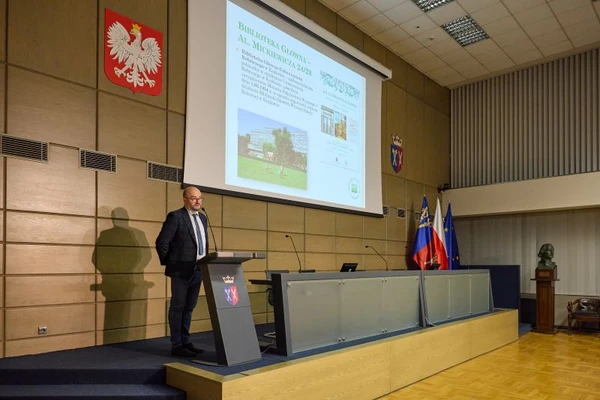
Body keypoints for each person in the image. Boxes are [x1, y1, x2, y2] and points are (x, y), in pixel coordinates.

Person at [156, 187, 209, 356]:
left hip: (199, 270)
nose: (198, 201)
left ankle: (186, 341)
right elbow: (162, 242)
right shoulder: (176, 217)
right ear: (185, 199)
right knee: (178, 307)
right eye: (194, 198)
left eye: (200, 198)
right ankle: (177, 345)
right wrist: (171, 263)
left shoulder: (203, 218)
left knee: (189, 307)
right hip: (180, 271)